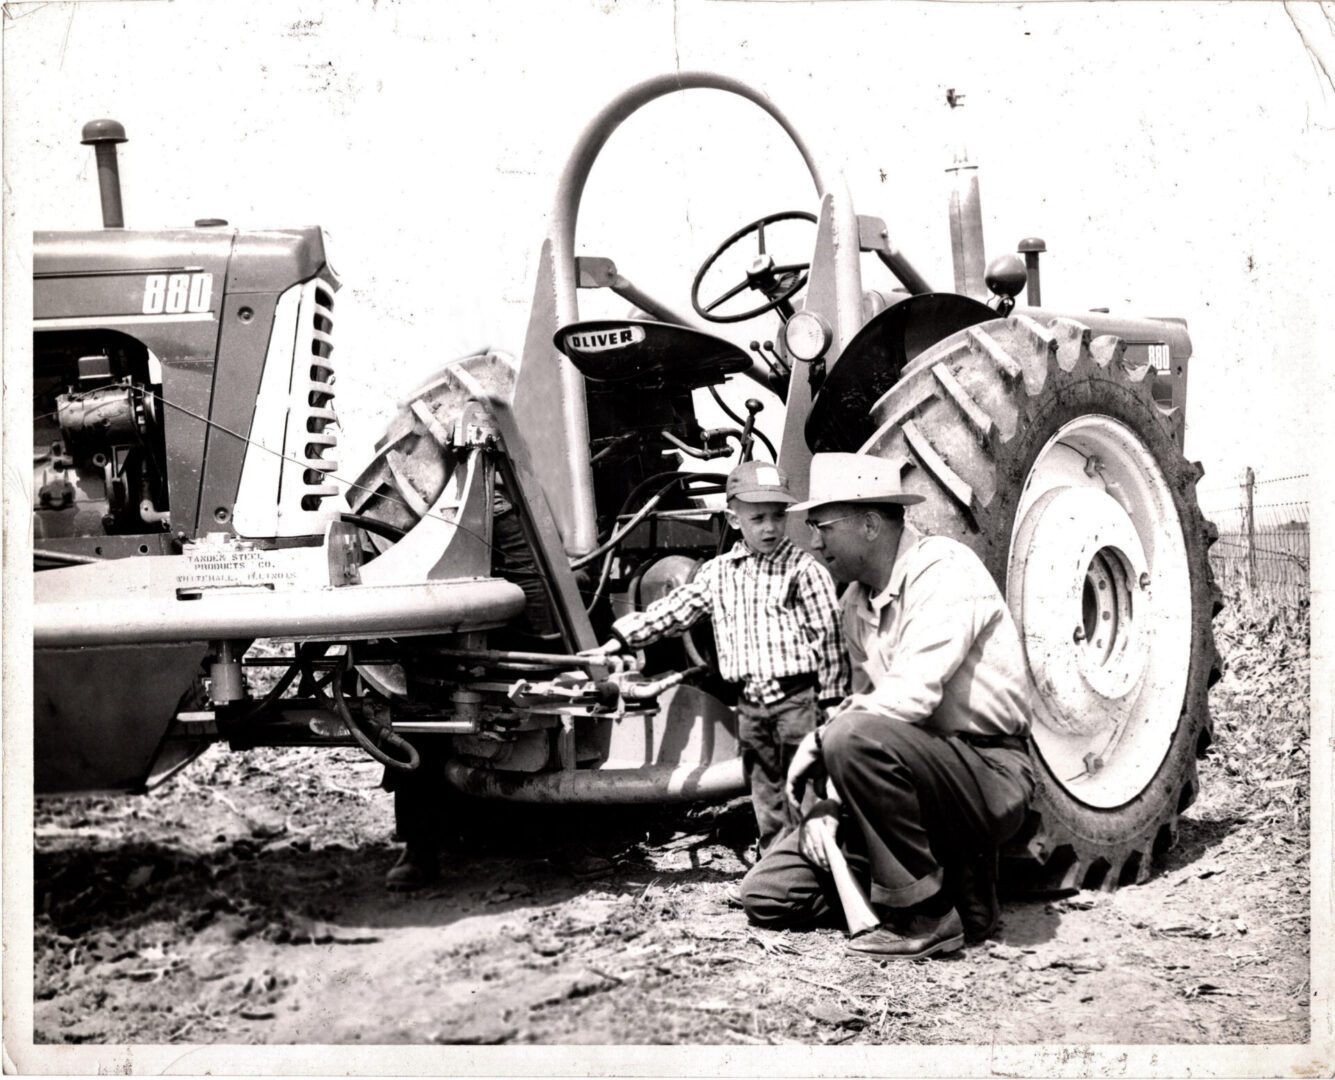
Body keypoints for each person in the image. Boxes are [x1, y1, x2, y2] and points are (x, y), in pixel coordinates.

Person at [739, 452, 1035, 958]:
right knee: (768, 893)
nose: (812, 542)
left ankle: (924, 915)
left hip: (985, 771)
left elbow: (910, 696)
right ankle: (949, 886)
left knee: (850, 736)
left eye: (821, 526)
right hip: (905, 777)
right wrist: (830, 802)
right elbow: (865, 704)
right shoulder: (855, 604)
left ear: (870, 524)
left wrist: (819, 742)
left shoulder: (943, 570)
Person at [587, 460, 850, 857]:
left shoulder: (803, 570)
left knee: (807, 787)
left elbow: (828, 638)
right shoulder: (719, 573)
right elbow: (675, 610)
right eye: (758, 517)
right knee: (764, 789)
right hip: (751, 705)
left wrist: (831, 703)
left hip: (797, 701)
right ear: (734, 517)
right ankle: (776, 864)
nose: (770, 528)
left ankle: (818, 867)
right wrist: (620, 638)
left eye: (778, 517)